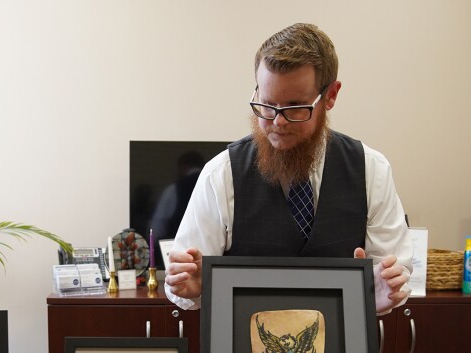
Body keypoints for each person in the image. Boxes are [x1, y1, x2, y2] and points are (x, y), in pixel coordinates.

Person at [165, 23, 412, 315]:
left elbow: (391, 277)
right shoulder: (220, 175)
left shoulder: (372, 171)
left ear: (330, 96)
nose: (277, 123)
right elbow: (183, 283)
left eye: (295, 107)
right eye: (267, 105)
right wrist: (192, 288)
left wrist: (381, 296)